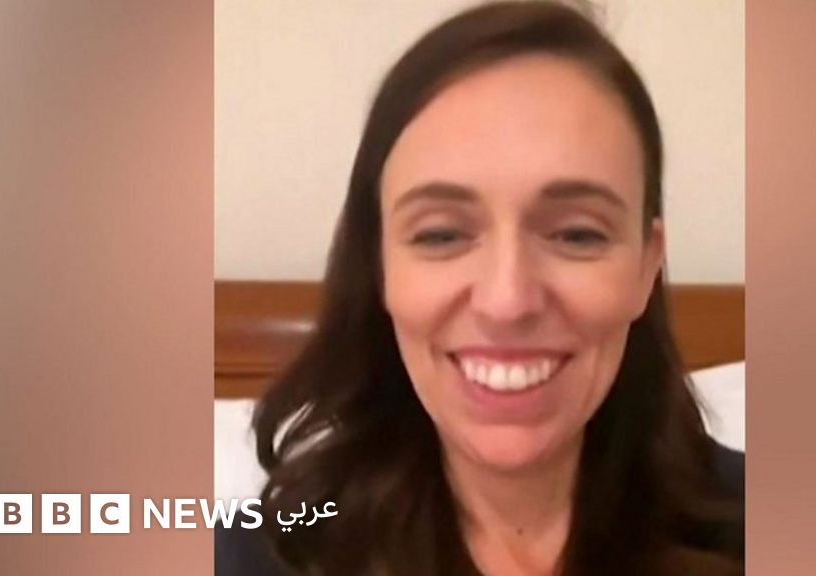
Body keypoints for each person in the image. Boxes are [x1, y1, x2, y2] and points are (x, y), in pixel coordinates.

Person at [216, 1, 744, 574]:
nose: (507, 301)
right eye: (441, 234)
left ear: (645, 266)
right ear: (379, 266)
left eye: (576, 234)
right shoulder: (259, 555)